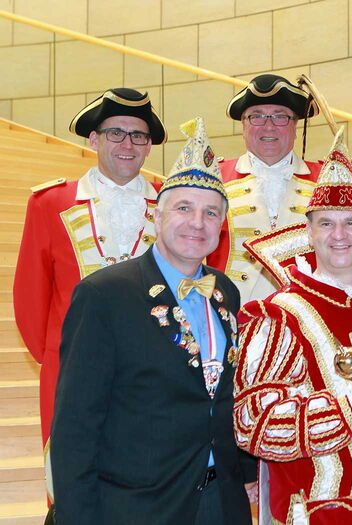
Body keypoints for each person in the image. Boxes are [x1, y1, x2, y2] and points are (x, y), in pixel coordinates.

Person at [50, 117, 255, 525]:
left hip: (221, 501)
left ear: (221, 227)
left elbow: (224, 395)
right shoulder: (104, 295)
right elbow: (75, 426)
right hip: (138, 506)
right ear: (157, 218)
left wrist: (245, 471)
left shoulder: (226, 293)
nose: (197, 223)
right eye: (183, 208)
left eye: (211, 213)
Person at [232, 132, 352, 524]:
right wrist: (345, 413)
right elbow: (252, 422)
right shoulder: (278, 314)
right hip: (325, 510)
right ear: (309, 233)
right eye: (326, 223)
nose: (339, 235)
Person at [14, 88, 165, 446]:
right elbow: (30, 296)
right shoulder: (50, 203)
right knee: (73, 471)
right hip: (72, 364)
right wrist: (60, 353)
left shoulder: (174, 203)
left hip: (156, 367)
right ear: (94, 140)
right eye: (116, 133)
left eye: (138, 135)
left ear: (148, 146)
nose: (127, 144)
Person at [207, 74, 323, 302]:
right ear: (243, 125)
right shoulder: (212, 178)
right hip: (231, 314)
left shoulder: (325, 179)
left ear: (295, 126)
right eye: (256, 117)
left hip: (309, 315)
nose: (268, 126)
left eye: (280, 117)